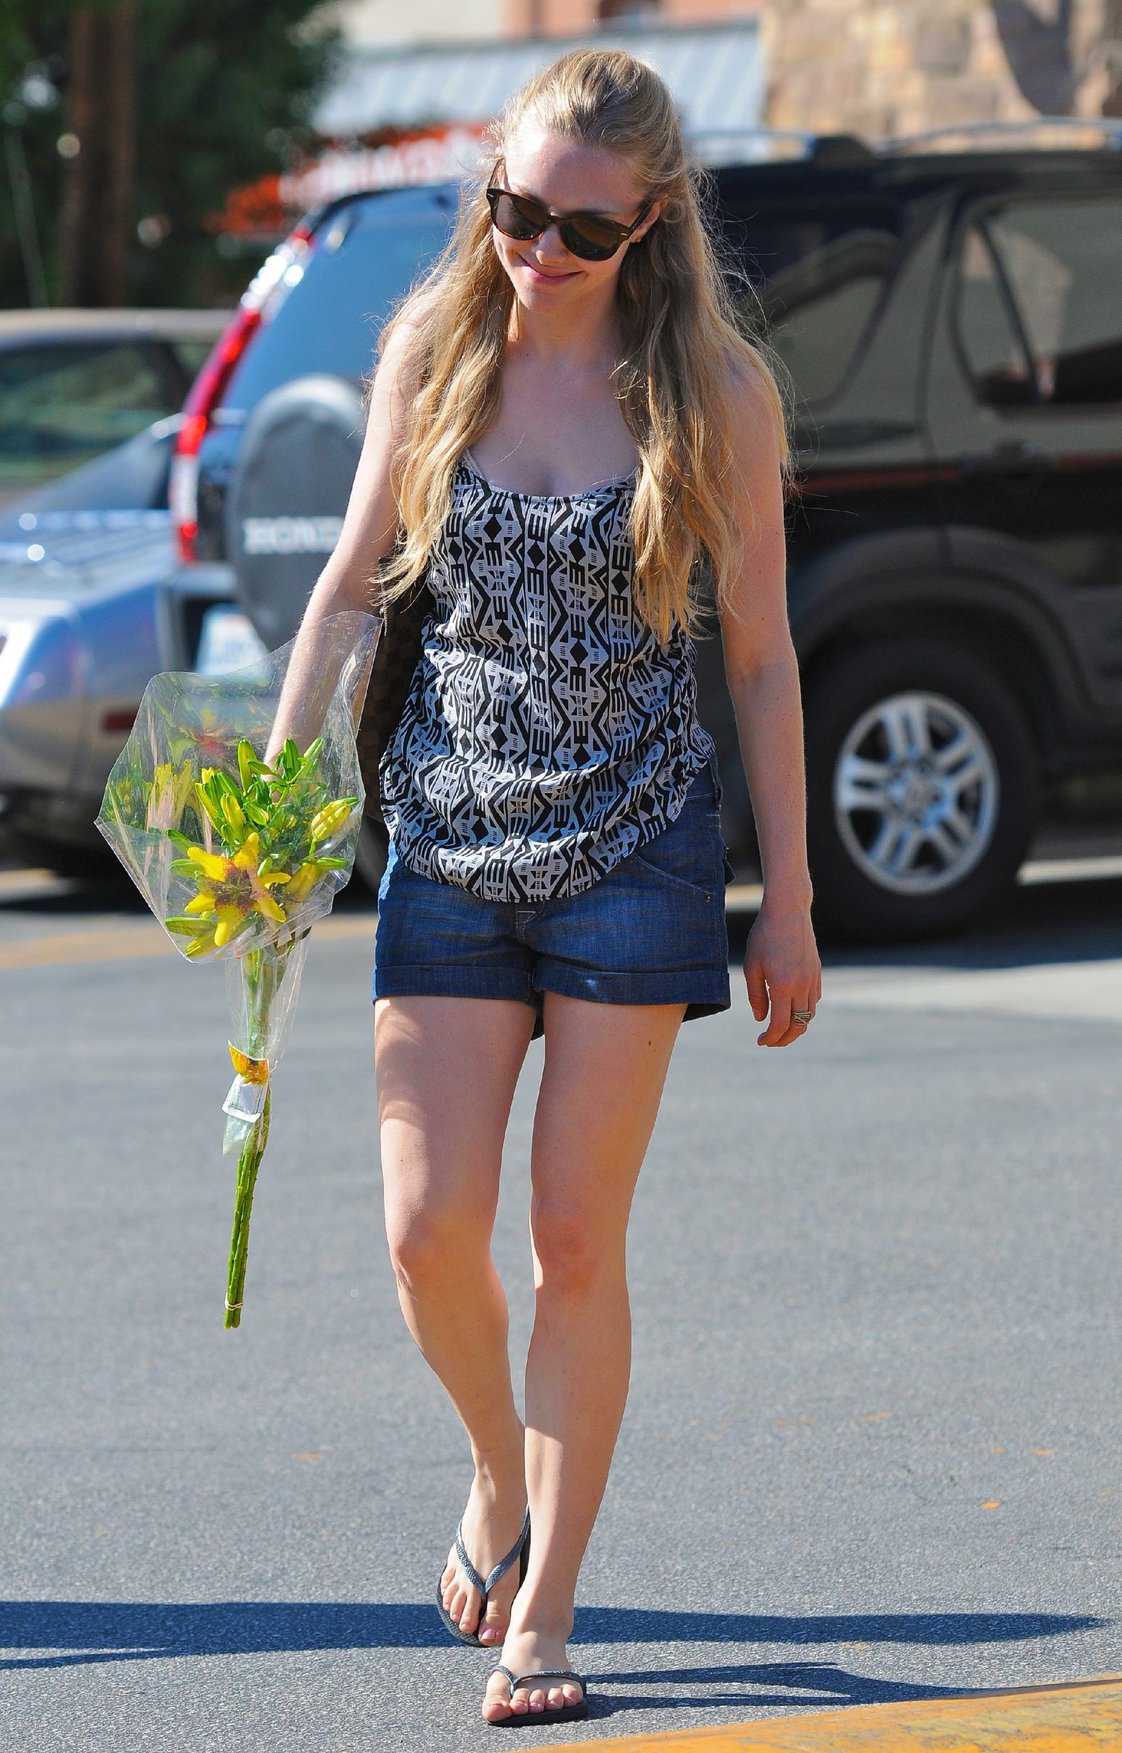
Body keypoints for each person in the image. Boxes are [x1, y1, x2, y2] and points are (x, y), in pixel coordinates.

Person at [283, 47, 821, 1729]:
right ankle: (494, 1472)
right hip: (445, 838)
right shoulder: (436, 346)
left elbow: (761, 657)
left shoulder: (709, 395)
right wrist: (275, 803)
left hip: (637, 848)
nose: (538, 250)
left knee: (573, 1236)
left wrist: (789, 896)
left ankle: (548, 1612)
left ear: (650, 222)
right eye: (516, 210)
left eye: (582, 229)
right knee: (424, 1229)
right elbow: (349, 591)